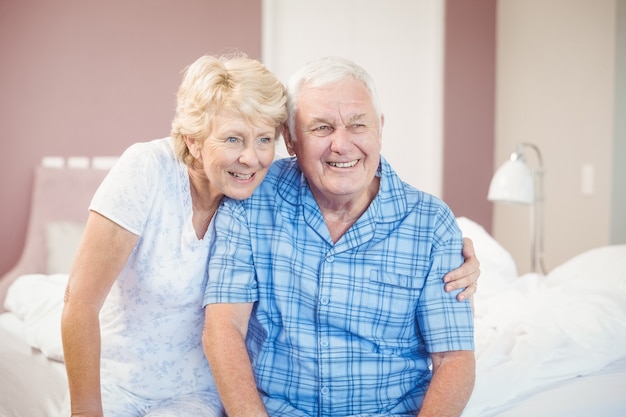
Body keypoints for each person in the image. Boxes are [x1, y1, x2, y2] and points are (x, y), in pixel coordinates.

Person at [203, 56, 476, 417]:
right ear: (291, 139)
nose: (342, 145)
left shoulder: (431, 223)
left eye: (358, 124)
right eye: (321, 128)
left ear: (379, 128)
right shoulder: (251, 197)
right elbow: (223, 329)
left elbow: (454, 359)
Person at [60, 54, 288, 417]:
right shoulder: (146, 170)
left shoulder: (259, 193)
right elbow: (80, 301)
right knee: (36, 300)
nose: (252, 158)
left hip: (195, 392)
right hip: (117, 381)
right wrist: (86, 410)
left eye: (264, 139)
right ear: (193, 141)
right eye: (233, 139)